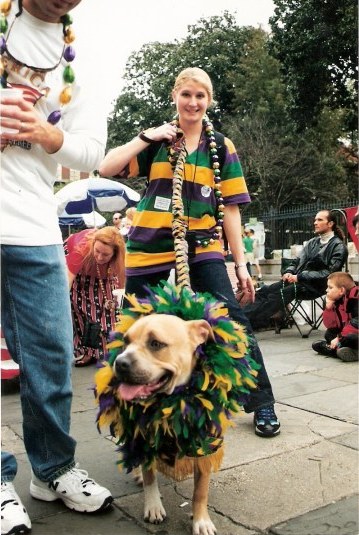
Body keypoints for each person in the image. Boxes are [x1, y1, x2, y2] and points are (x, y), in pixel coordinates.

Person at [99, 67, 281, 440]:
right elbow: (106, 167)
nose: (193, 103)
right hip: (150, 244)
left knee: (232, 320)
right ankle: (128, 416)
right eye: (187, 95)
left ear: (208, 101)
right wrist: (146, 136)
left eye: (201, 96)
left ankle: (261, 401)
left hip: (202, 245)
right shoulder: (159, 142)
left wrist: (241, 264)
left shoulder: (221, 147)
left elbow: (231, 208)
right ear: (175, 97)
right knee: (133, 326)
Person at [1, 1, 113, 533]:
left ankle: (53, 469)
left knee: (52, 354)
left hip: (33, 227)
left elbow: (92, 148)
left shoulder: (81, 60)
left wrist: (48, 136)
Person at [242, 210, 348, 330]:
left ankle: (246, 322)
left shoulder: (338, 246)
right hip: (298, 282)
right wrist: (289, 272)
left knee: (279, 294)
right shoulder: (312, 242)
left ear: (330, 224)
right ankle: (240, 317)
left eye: (319, 220)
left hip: (318, 286)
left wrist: (300, 277)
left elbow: (329, 273)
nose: (315, 223)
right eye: (315, 220)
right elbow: (296, 261)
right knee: (266, 290)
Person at [65, 227, 125, 367]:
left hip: (105, 277)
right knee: (82, 312)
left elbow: (122, 286)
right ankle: (88, 352)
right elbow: (67, 281)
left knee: (110, 313)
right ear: (93, 245)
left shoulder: (121, 259)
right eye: (97, 251)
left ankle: (112, 352)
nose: (99, 257)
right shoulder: (82, 248)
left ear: (114, 254)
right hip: (80, 275)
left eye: (105, 254)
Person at [312, 272, 358, 362]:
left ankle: (336, 350)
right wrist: (328, 308)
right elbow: (331, 326)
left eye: (330, 287)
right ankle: (341, 350)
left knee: (350, 338)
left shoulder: (356, 297)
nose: (326, 290)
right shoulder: (338, 299)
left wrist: (338, 338)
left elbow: (357, 323)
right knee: (329, 334)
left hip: (354, 334)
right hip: (347, 334)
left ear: (341, 290)